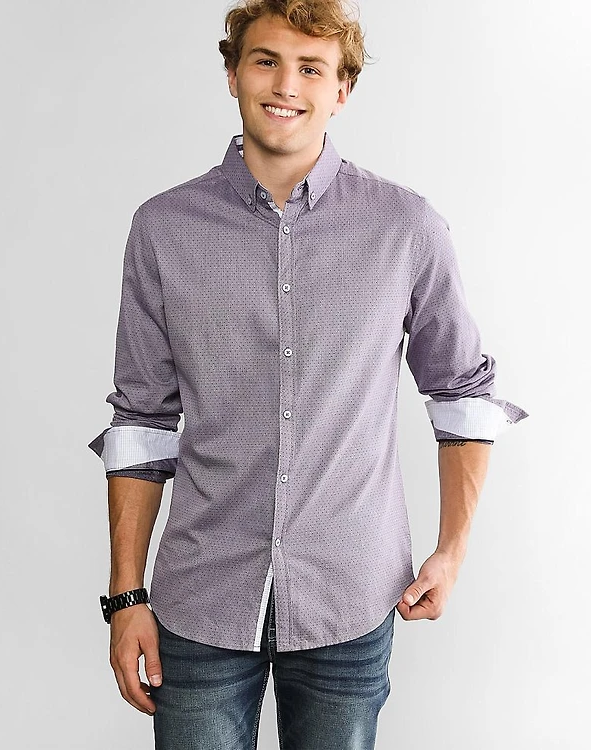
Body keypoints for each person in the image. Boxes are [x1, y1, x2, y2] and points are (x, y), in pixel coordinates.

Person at [88, 1, 529, 747]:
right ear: (233, 74)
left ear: (341, 90)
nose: (286, 85)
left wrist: (453, 552)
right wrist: (126, 595)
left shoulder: (405, 226)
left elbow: (461, 394)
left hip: (350, 594)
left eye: (311, 68)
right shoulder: (163, 228)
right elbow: (142, 421)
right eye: (265, 61)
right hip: (200, 598)